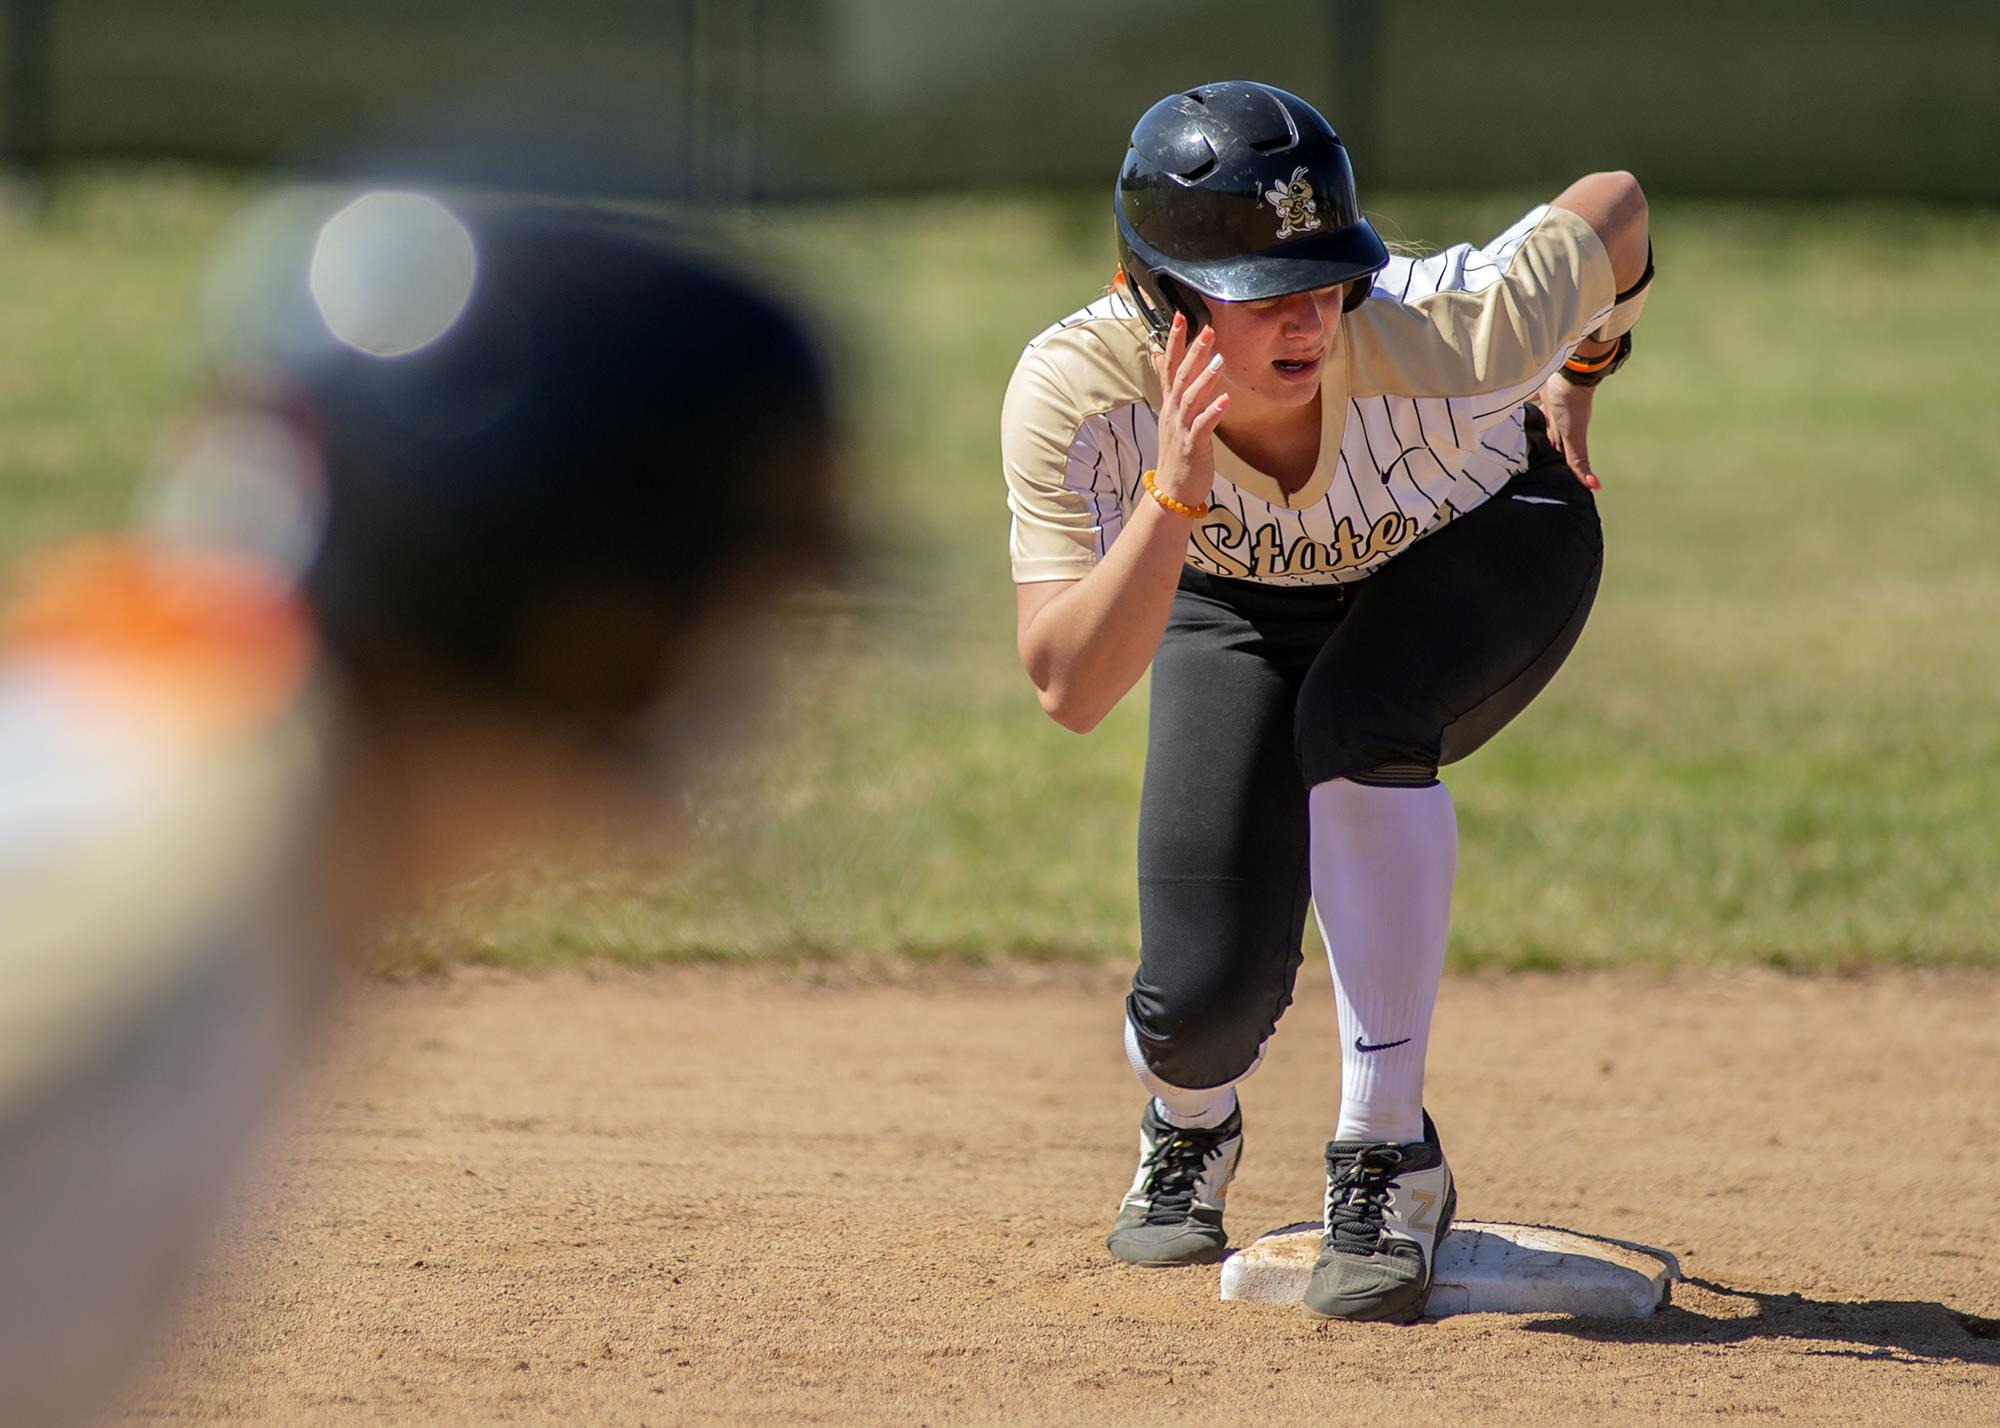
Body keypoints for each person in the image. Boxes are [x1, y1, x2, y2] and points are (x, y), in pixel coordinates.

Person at [0, 185, 839, 1426]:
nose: (754, 680)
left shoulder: (240, 797)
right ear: (582, 622)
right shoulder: (158, 933)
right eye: (736, 606)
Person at [1000, 80, 1652, 1322]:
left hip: (1472, 541)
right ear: (1155, 293)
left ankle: (1385, 1157)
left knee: (1357, 727)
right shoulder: (1076, 393)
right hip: (1229, 590)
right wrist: (1170, 495)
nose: (1305, 319)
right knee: (1193, 1013)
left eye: (1322, 278)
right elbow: (1070, 687)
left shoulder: (1447, 328)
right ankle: (1188, 1122)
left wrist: (1579, 363)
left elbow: (1613, 208)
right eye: (1259, 293)